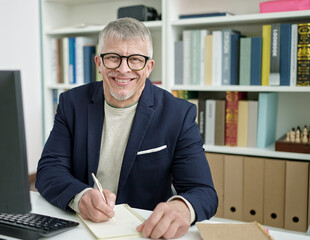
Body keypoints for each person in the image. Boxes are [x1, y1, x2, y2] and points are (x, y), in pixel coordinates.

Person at [36, 17, 217, 239]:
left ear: (149, 67)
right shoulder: (71, 103)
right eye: (113, 58)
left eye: (135, 59)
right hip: (81, 228)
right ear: (99, 63)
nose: (123, 69)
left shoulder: (178, 114)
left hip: (144, 231)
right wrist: (80, 196)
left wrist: (183, 207)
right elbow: (49, 170)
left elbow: (203, 191)